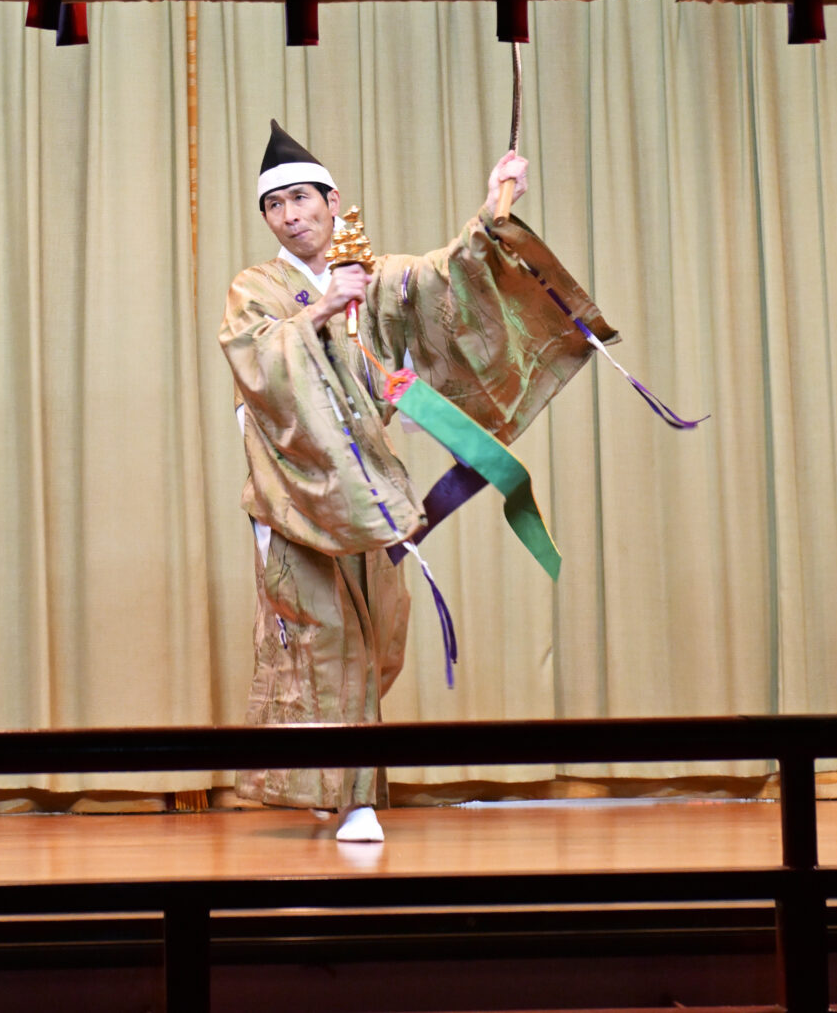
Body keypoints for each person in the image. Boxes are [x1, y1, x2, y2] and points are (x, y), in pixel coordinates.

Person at [221, 122, 608, 842]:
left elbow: (445, 277)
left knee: (378, 637)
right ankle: (355, 798)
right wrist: (322, 309)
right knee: (322, 636)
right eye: (275, 205)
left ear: (332, 200)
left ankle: (330, 778)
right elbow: (255, 357)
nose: (291, 215)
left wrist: (495, 206)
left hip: (368, 489)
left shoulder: (373, 276)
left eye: (302, 199)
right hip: (295, 492)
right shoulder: (257, 288)